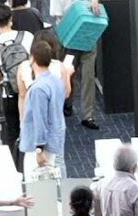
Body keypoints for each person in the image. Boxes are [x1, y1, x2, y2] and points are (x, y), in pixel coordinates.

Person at [0, 3, 33, 163]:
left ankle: (18, 166)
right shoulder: (27, 36)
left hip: (10, 94)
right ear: (11, 18)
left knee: (13, 133)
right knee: (34, 129)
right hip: (31, 90)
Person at [50, 0, 103, 129]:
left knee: (88, 76)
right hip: (69, 39)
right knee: (67, 74)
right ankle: (67, 103)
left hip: (88, 35)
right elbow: (58, 17)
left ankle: (87, 115)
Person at [18, 39, 66, 181]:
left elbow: (40, 120)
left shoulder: (38, 89)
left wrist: (39, 149)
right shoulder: (56, 81)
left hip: (38, 147)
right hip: (54, 139)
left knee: (36, 187)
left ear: (32, 58)